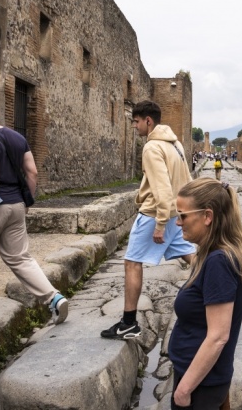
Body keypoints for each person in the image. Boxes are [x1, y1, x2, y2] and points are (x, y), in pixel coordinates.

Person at [0, 98, 68, 333]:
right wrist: (25, 201)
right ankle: (54, 298)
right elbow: (32, 172)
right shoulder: (18, 138)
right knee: (21, 258)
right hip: (16, 204)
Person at [102, 100, 195, 339]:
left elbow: (161, 188)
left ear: (148, 121)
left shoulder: (152, 147)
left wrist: (160, 223)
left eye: (135, 121)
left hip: (156, 213)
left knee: (132, 262)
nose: (134, 126)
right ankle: (221, 289)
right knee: (192, 257)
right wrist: (180, 214)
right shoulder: (176, 145)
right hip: (177, 212)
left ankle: (129, 323)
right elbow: (186, 180)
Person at [169, 177, 242, 409]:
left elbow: (218, 337)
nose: (178, 223)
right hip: (201, 377)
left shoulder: (219, 262)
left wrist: (184, 388)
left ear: (207, 216)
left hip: (201, 384)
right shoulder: (211, 255)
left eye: (183, 216)